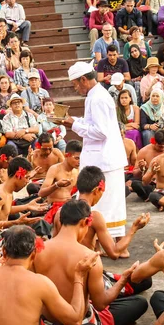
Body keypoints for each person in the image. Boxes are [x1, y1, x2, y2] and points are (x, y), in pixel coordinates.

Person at [34, 199, 148, 325]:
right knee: (139, 302)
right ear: (84, 223)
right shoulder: (88, 256)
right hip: (81, 324)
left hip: (47, 324)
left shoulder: (38, 251)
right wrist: (123, 279)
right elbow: (101, 304)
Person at [62, 61, 128, 242]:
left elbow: (100, 131)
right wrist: (73, 120)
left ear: (83, 79)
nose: (75, 88)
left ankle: (109, 244)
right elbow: (92, 123)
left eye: (75, 84)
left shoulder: (97, 97)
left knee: (105, 206)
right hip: (105, 159)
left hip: (104, 160)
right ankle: (117, 244)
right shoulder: (95, 95)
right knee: (111, 205)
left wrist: (73, 124)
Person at [62, 166, 151, 261]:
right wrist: (134, 228)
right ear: (97, 190)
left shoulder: (60, 212)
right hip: (84, 267)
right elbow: (114, 253)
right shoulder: (94, 217)